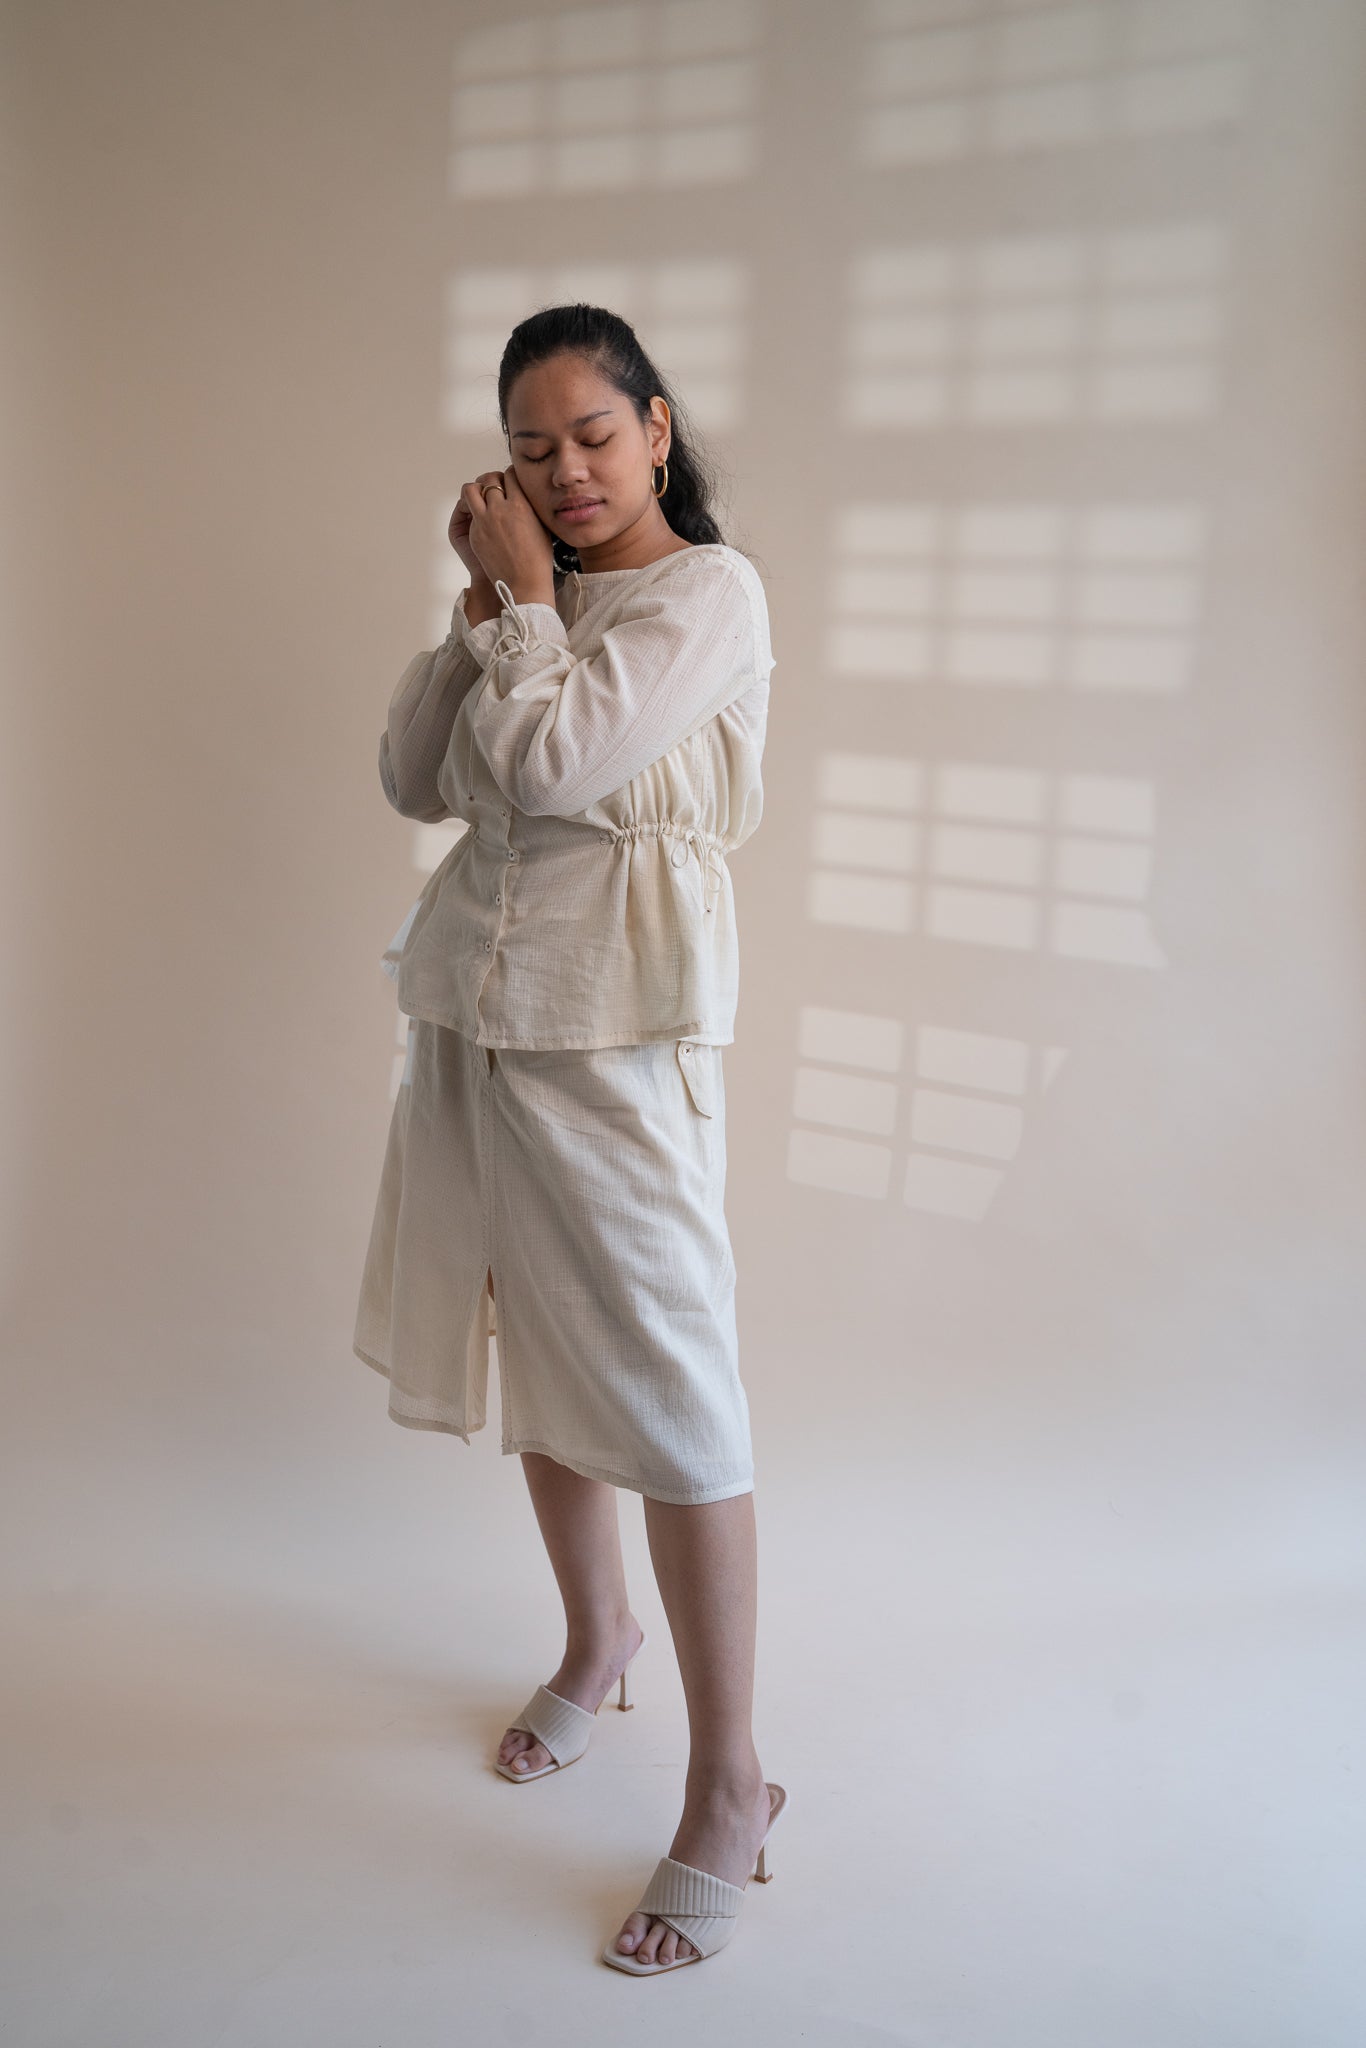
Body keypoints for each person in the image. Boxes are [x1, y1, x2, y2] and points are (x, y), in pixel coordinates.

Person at [352, 303, 787, 1974]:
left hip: (617, 1038)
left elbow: (548, 768)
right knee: (535, 1344)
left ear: (656, 428)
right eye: (529, 451)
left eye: (592, 437)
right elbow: (415, 778)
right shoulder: (529, 598)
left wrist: (528, 603)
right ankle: (597, 1639)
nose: (564, 473)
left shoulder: (706, 595)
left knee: (673, 1390)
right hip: (474, 1018)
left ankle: (731, 1784)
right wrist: (480, 611)